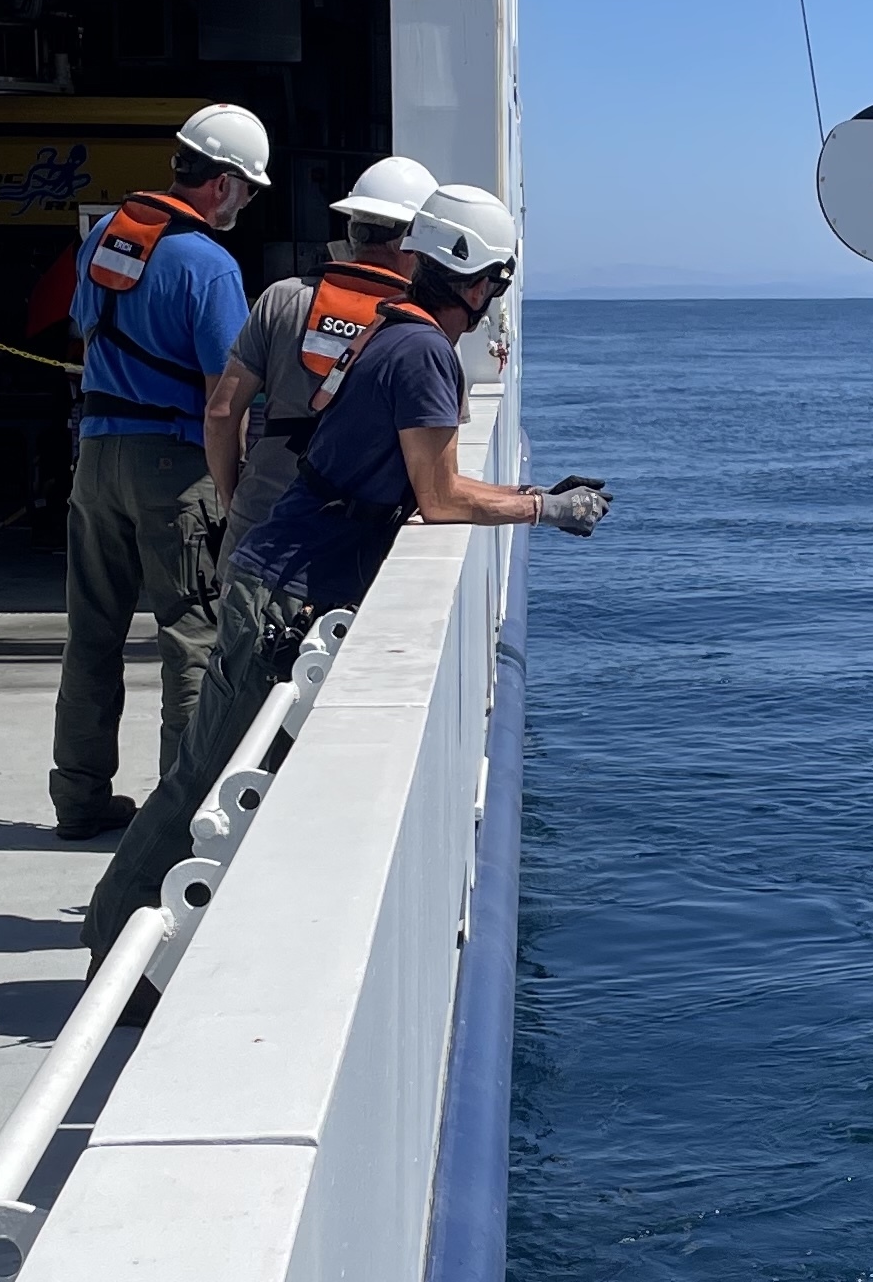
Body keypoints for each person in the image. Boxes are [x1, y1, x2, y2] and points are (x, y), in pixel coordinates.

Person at [83, 182, 610, 964]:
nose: (498, 297)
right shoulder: (425, 352)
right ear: (475, 280)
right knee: (203, 777)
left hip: (279, 575)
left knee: (215, 768)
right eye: (498, 281)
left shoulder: (396, 333)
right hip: (287, 593)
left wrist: (534, 492)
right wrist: (544, 512)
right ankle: (110, 947)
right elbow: (439, 497)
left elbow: (430, 478)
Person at [49, 104, 269, 842]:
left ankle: (78, 798)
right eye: (250, 189)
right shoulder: (210, 265)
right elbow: (224, 398)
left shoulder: (105, 238)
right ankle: (177, 825)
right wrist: (235, 491)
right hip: (173, 468)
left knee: (92, 634)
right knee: (191, 637)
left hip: (97, 454)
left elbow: (88, 333)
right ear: (227, 184)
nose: (248, 203)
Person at [199, 153, 438, 568]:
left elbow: (221, 413)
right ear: (410, 241)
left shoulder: (283, 298)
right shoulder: (418, 331)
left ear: (352, 227)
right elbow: (433, 465)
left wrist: (235, 496)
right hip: (353, 537)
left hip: (259, 520)